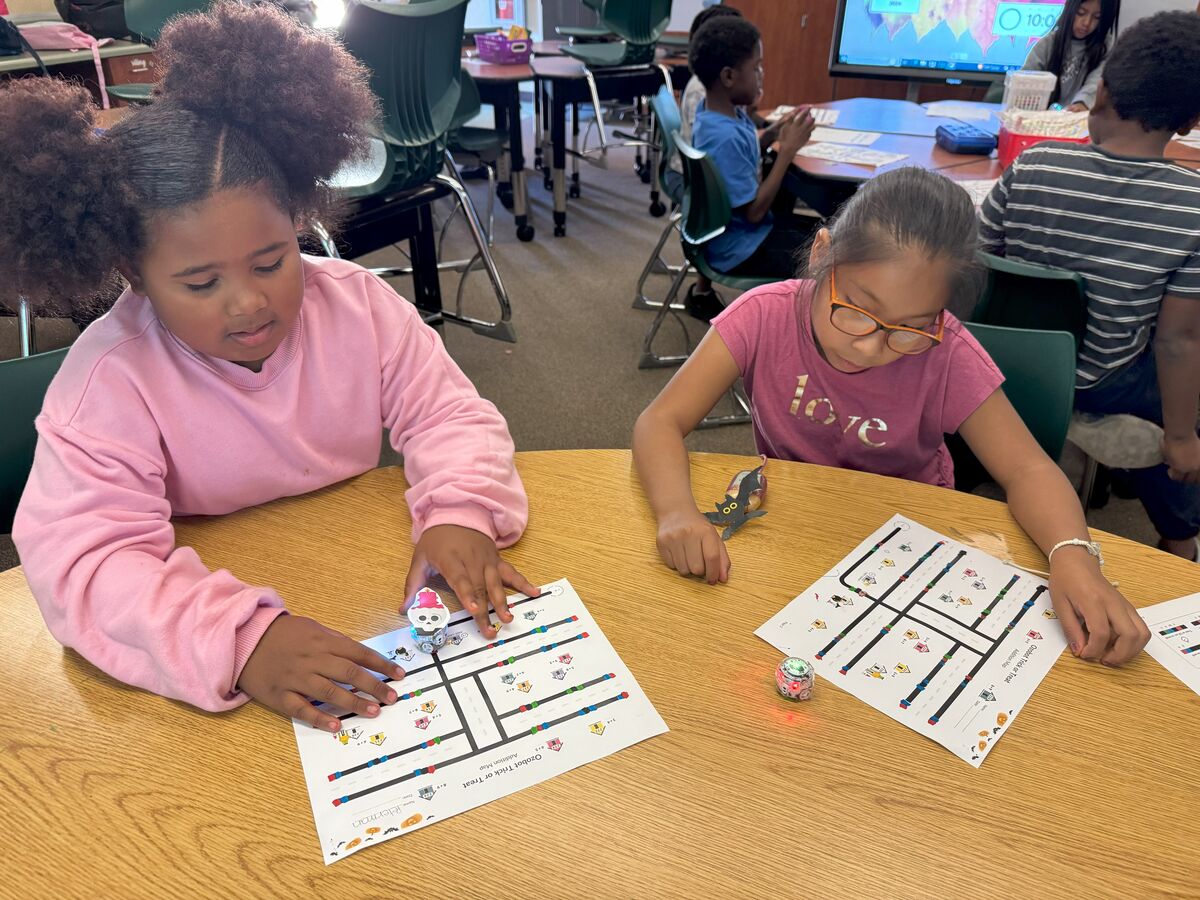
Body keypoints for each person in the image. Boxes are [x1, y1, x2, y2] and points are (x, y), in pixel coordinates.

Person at [0, 3, 536, 732]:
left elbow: (448, 415)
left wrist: (461, 509)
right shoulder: (110, 380)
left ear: (298, 218)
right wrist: (238, 638)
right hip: (213, 641)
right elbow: (83, 565)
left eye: (272, 260)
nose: (249, 303)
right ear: (132, 273)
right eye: (200, 283)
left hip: (351, 570)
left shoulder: (359, 307)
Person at [633, 167, 1149, 667]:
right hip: (796, 526)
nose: (872, 345)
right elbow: (660, 422)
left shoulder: (945, 353)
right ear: (822, 256)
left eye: (910, 328)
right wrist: (677, 510)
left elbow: (1029, 469)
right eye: (857, 309)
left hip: (911, 544)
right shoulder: (763, 315)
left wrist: (1073, 554)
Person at [980, 10, 1200, 561]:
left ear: (1102, 90)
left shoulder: (1031, 166)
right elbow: (1176, 342)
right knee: (1183, 392)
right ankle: (1179, 534)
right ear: (1191, 120)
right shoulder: (1190, 203)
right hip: (1106, 379)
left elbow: (977, 270)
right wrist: (1180, 437)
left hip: (1012, 365)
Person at [685, 14, 816, 319]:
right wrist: (787, 152)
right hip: (740, 249)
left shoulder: (720, 114)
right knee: (824, 254)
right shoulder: (724, 137)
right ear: (729, 77)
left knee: (818, 232)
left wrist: (771, 134)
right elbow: (754, 212)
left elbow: (741, 156)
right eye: (756, 68)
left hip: (737, 237)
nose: (761, 74)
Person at [1021, 0, 1120, 110]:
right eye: (1081, 13)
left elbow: (1096, 81)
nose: (1087, 23)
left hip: (1082, 120)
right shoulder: (1047, 44)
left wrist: (1083, 103)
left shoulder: (1106, 48)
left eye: (1097, 17)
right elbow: (1024, 83)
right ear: (1069, 9)